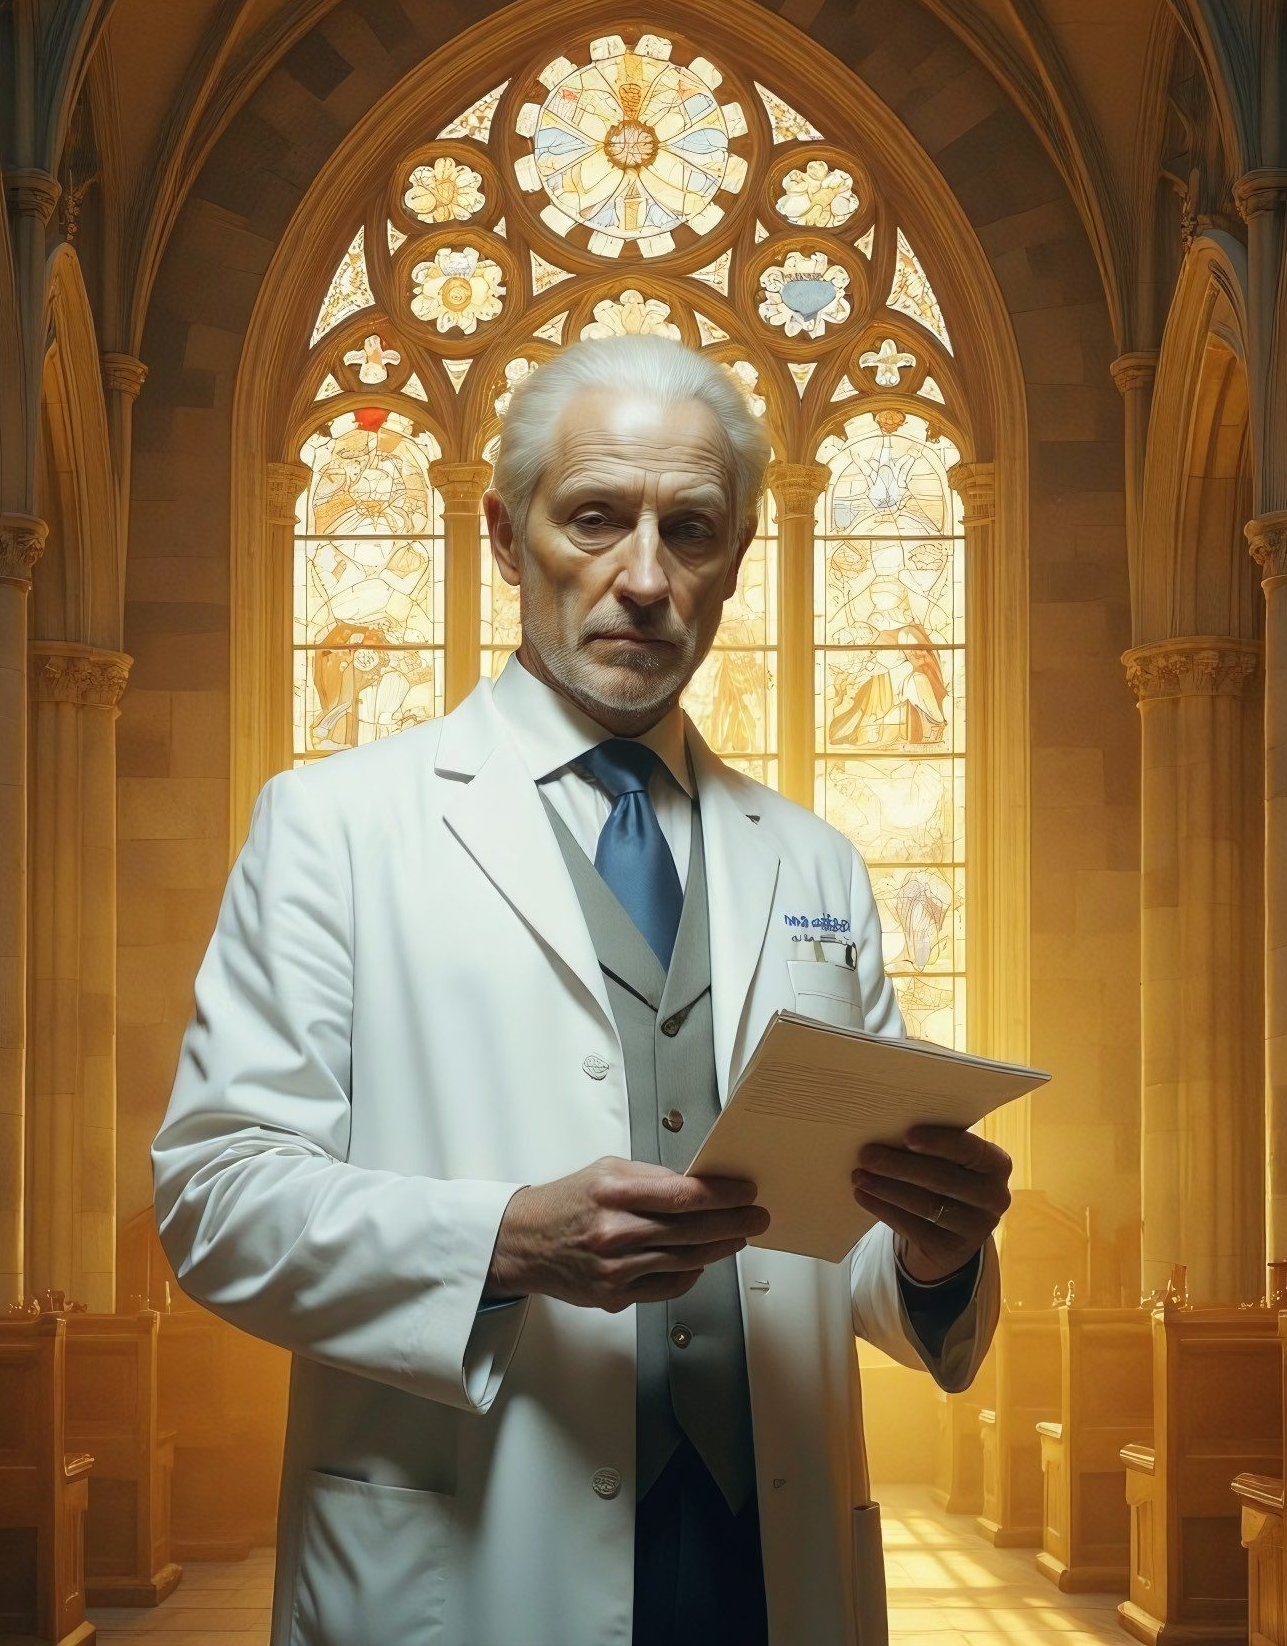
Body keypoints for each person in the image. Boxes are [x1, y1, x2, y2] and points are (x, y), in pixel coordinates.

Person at [153, 334, 1011, 1646]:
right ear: (504, 538)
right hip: (471, 1553)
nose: (647, 579)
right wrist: (500, 1240)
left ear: (736, 559)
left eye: (694, 530)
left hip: (765, 1568)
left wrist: (937, 1254)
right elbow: (214, 1198)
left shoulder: (817, 861)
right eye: (597, 519)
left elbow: (843, 1255)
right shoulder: (334, 825)